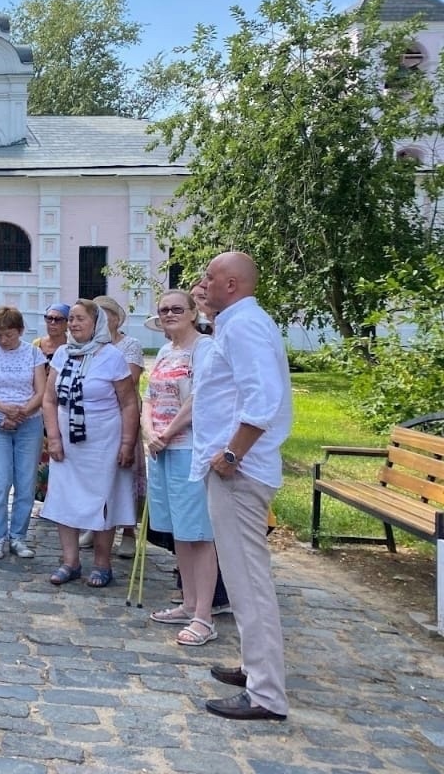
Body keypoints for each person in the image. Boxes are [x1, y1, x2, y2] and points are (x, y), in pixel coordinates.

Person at [194, 252, 291, 722]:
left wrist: (233, 453)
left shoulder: (247, 325)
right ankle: (256, 669)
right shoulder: (232, 322)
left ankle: (266, 694)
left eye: (209, 276)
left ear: (231, 284)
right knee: (240, 578)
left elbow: (262, 398)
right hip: (233, 467)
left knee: (248, 582)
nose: (201, 282)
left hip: (240, 470)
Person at [40, 299, 138, 589]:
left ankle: (102, 563)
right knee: (64, 499)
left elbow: (129, 402)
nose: (74, 324)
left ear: (97, 324)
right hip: (67, 444)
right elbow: (49, 399)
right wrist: (53, 437)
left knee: (102, 500)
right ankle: (70, 562)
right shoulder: (62, 355)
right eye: (72, 319)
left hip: (103, 442)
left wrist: (128, 443)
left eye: (81, 319)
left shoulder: (112, 357)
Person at [142, 291, 219, 646]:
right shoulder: (163, 351)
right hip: (160, 450)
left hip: (189, 448)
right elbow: (150, 397)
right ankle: (187, 603)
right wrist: (149, 431)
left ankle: (205, 615)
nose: (169, 314)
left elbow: (199, 397)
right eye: (163, 310)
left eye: (177, 308)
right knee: (179, 532)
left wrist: (168, 433)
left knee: (199, 533)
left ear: (192, 313)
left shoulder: (204, 349)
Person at [0, 306, 47, 560]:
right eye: (0, 335)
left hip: (28, 422)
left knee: (25, 483)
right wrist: (4, 409)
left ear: (20, 331)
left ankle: (19, 536)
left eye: (10, 335)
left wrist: (21, 413)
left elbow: (41, 391)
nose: (4, 340)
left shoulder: (34, 353)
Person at [93, 295, 145, 559]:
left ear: (115, 318)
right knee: (97, 474)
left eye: (105, 315)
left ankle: (128, 532)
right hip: (96, 421)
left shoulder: (130, 345)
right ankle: (95, 523)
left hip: (123, 417)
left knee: (126, 474)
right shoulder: (90, 346)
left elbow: (129, 379)